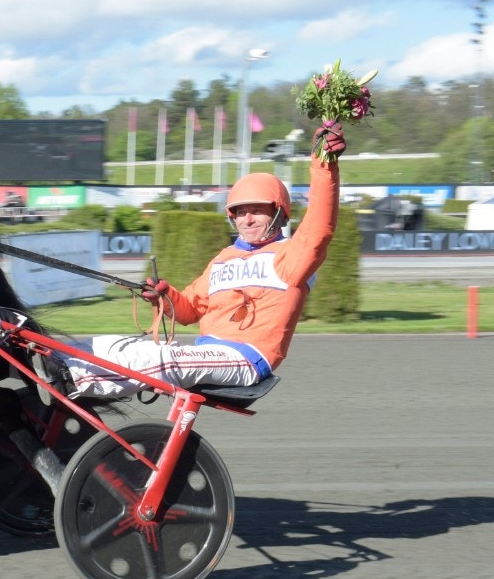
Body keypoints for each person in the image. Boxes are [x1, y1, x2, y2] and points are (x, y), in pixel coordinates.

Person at [51, 123, 347, 400]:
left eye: (257, 210)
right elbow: (190, 309)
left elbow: (319, 226)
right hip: (208, 353)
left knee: (161, 358)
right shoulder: (224, 258)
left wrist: (324, 164)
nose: (247, 219)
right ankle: (46, 361)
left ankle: (68, 381)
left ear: (281, 213)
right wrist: (165, 296)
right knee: (110, 345)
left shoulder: (292, 256)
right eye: (240, 212)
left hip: (246, 359)